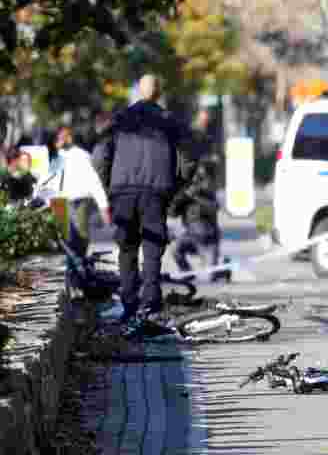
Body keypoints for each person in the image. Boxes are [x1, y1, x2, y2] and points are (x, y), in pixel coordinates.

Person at [93, 74, 197, 327]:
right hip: (156, 193)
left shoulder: (120, 119)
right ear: (159, 93)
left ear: (139, 91)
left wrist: (107, 187)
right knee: (152, 249)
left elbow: (100, 156)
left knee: (127, 248)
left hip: (122, 191)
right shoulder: (169, 121)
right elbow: (189, 160)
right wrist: (176, 189)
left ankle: (129, 305)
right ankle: (150, 303)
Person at [45, 126, 112, 265]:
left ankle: (79, 270)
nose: (60, 140)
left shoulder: (82, 155)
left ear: (70, 138)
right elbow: (48, 181)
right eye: (59, 137)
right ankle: (73, 271)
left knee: (80, 239)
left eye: (64, 137)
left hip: (80, 201)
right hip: (59, 202)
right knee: (65, 241)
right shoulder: (56, 157)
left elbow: (94, 182)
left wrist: (103, 206)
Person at [171, 158, 229, 282]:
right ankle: (187, 273)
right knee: (175, 250)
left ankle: (224, 269)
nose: (199, 181)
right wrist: (184, 197)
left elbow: (214, 208)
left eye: (202, 177)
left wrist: (196, 197)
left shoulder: (209, 194)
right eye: (197, 177)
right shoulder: (186, 195)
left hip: (208, 240)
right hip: (191, 238)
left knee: (212, 276)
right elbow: (172, 213)